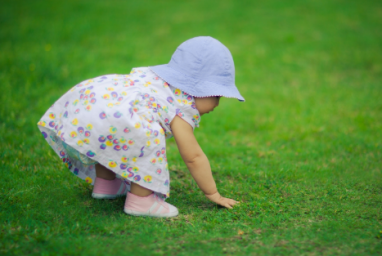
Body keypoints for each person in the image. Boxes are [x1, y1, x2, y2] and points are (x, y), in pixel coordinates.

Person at [38, 36, 245, 217]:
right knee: (146, 138)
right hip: (125, 116)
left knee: (113, 133)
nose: (217, 104)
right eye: (217, 95)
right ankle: (141, 200)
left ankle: (106, 184)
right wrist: (213, 194)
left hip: (100, 101)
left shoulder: (157, 81)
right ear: (197, 90)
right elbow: (193, 157)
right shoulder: (181, 107)